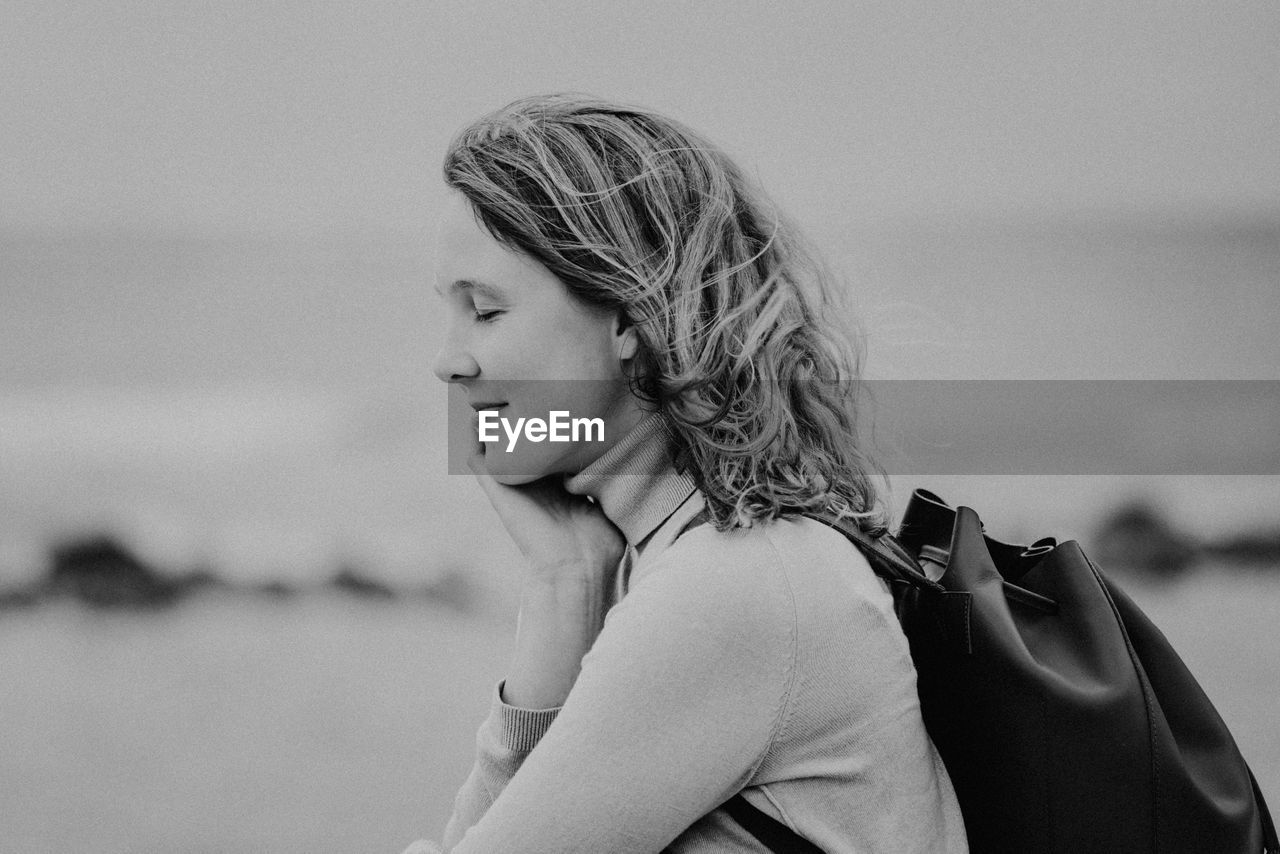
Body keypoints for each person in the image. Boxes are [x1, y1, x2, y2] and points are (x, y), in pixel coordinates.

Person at [403, 94, 967, 853]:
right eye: (449, 312)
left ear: (632, 318)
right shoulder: (689, 555)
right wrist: (563, 585)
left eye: (487, 312)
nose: (448, 361)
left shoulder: (735, 586)